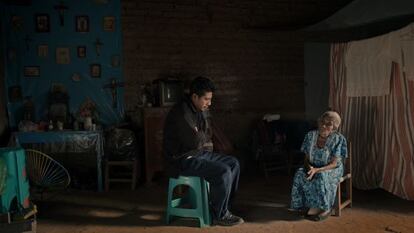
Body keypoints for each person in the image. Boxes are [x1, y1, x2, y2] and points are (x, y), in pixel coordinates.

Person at [163, 76, 244, 226]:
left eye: (210, 99)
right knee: (223, 171)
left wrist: (198, 133)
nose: (209, 103)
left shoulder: (199, 108)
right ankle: (219, 215)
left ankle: (224, 208)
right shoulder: (182, 113)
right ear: (194, 96)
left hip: (197, 153)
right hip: (181, 159)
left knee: (233, 163)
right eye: (206, 99)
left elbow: (206, 134)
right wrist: (200, 135)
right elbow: (195, 141)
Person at [290, 111, 347, 221]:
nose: (323, 125)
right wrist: (309, 167)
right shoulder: (310, 136)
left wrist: (317, 170)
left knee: (321, 176)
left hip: (331, 169)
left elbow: (334, 164)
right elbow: (306, 158)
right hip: (313, 166)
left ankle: (325, 208)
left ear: (334, 127)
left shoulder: (338, 139)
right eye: (322, 122)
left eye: (328, 124)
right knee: (300, 174)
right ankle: (305, 205)